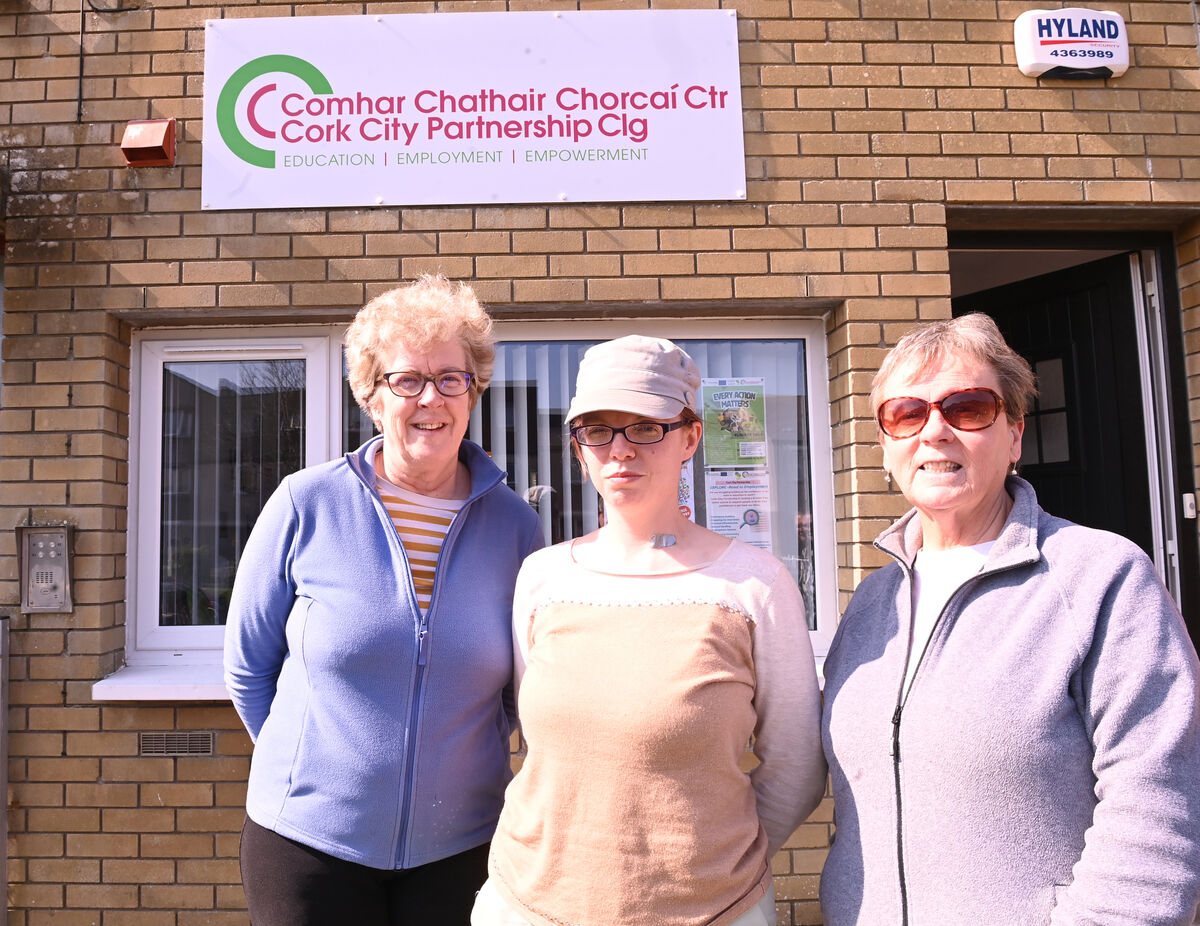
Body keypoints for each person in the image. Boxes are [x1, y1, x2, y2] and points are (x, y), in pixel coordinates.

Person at [820, 313, 1200, 926]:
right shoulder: (873, 604)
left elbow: (1157, 798)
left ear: (1016, 434)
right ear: (886, 444)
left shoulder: (1100, 575)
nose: (935, 431)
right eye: (906, 414)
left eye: (968, 408)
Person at [471, 335, 827, 926]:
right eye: (599, 429)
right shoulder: (542, 577)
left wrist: (711, 864)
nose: (620, 450)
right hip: (531, 905)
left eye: (646, 427)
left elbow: (794, 763)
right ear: (579, 449)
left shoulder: (754, 585)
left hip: (713, 913)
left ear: (689, 437)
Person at [223, 275, 544, 926]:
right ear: (370, 396)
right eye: (408, 381)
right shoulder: (304, 504)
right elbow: (247, 667)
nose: (432, 399)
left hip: (462, 850)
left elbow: (521, 691)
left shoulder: (516, 525)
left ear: (474, 390)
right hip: (307, 849)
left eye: (452, 378)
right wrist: (322, 777)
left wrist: (450, 771)